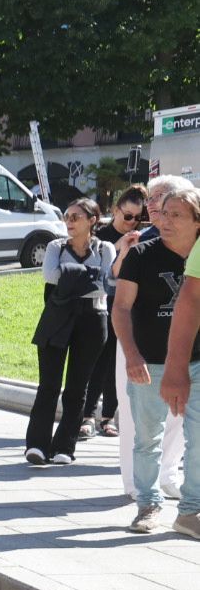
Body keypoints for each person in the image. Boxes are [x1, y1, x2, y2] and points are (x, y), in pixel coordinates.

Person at [114, 188, 200, 533]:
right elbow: (120, 308)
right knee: (148, 438)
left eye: (176, 215)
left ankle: (190, 511)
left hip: (197, 360)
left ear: (197, 222)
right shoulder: (141, 255)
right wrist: (132, 355)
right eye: (162, 213)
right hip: (149, 362)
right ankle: (148, 504)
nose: (164, 221)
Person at [25, 198, 116, 465]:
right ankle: (37, 445)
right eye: (67, 216)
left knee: (77, 387)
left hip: (92, 319)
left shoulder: (105, 247)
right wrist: (90, 275)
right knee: (49, 385)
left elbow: (107, 284)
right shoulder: (55, 245)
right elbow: (49, 276)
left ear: (92, 220)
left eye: (76, 217)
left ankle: (65, 446)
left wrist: (71, 276)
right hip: (58, 317)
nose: (69, 222)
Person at [83, 186, 147, 438]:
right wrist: (118, 246)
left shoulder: (142, 237)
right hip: (101, 305)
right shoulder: (100, 235)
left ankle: (108, 416)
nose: (132, 222)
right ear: (116, 209)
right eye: (128, 215)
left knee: (116, 361)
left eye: (137, 218)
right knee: (96, 359)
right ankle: (87, 414)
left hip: (126, 307)